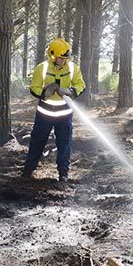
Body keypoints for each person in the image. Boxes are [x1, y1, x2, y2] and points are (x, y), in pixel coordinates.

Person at [21, 38, 86, 182]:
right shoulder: (42, 68)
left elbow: (81, 85)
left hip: (64, 115)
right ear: (52, 55)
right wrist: (45, 93)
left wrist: (70, 91)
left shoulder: (73, 68)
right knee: (37, 142)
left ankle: (63, 174)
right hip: (44, 114)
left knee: (64, 145)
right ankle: (28, 171)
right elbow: (34, 88)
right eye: (60, 58)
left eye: (65, 58)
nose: (63, 61)